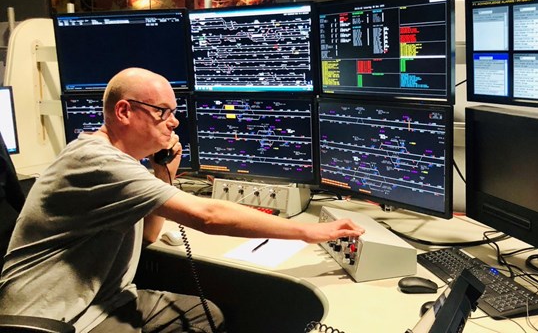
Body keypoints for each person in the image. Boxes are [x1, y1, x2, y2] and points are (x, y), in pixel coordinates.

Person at [0, 68, 365, 333]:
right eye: (163, 111)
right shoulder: (98, 162)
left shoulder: (121, 165)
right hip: (57, 319)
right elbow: (207, 215)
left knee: (204, 314)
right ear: (125, 112)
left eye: (174, 112)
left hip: (104, 301)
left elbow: (147, 239)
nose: (173, 123)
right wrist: (307, 231)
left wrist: (161, 174)